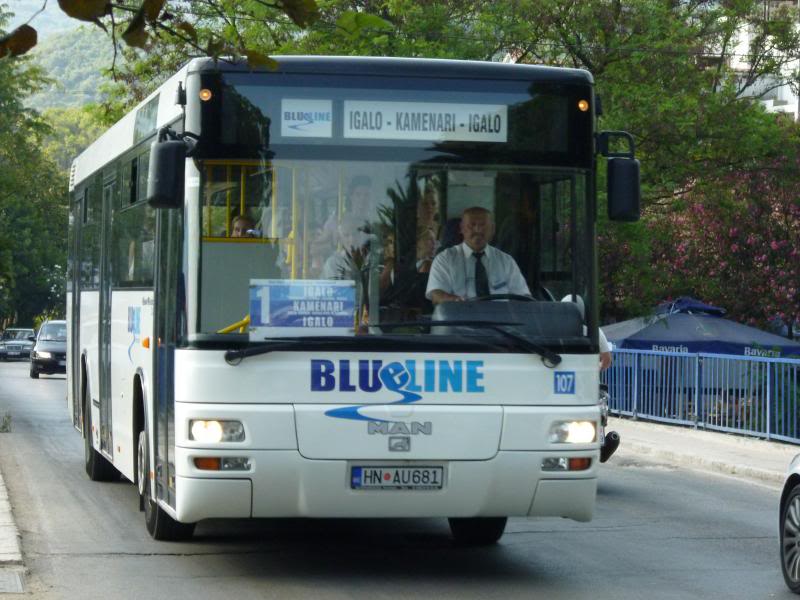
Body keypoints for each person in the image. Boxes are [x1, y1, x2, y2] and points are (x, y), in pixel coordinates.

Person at [425, 206, 530, 304]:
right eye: (472, 225)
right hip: (459, 321)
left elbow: (523, 296)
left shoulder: (506, 261)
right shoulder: (444, 259)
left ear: (492, 229)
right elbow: (436, 295)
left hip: (501, 321)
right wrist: (456, 301)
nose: (478, 230)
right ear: (461, 228)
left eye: (483, 225)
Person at [560, 294, 612, 371]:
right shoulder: (595, 332)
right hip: (585, 378)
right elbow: (607, 360)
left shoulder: (553, 332)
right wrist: (595, 369)